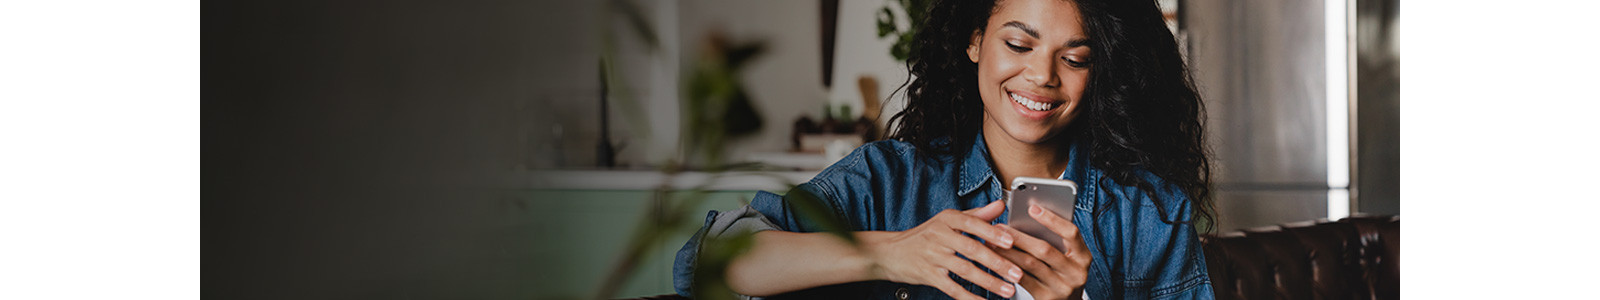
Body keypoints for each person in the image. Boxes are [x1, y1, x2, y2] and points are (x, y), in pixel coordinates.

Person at [674, 0, 1215, 299]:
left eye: (1076, 59)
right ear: (975, 40)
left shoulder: (1147, 212)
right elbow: (709, 262)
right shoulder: (886, 182)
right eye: (1018, 44)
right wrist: (891, 252)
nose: (1041, 75)